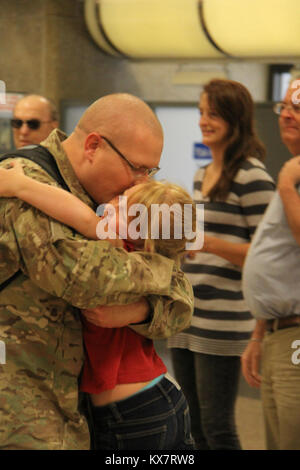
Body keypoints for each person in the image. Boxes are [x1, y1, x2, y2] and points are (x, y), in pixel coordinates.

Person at [0, 93, 194, 450]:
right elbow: (82, 279)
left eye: (150, 171)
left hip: (98, 409)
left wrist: (141, 309)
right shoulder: (23, 180)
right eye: (136, 167)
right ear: (93, 146)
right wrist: (165, 278)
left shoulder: (107, 200)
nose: (140, 182)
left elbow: (181, 306)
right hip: (27, 415)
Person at [167, 79, 275, 450]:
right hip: (189, 313)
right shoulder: (201, 175)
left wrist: (209, 243)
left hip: (224, 319)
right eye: (200, 112)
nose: (203, 121)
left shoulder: (252, 176)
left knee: (217, 427)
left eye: (212, 113)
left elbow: (267, 256)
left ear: (234, 118)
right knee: (192, 425)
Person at [242, 78, 300, 450]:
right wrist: (259, 334)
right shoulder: (292, 171)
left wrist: (285, 187)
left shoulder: (289, 178)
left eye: (297, 107)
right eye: (285, 107)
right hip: (280, 332)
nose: (288, 115)